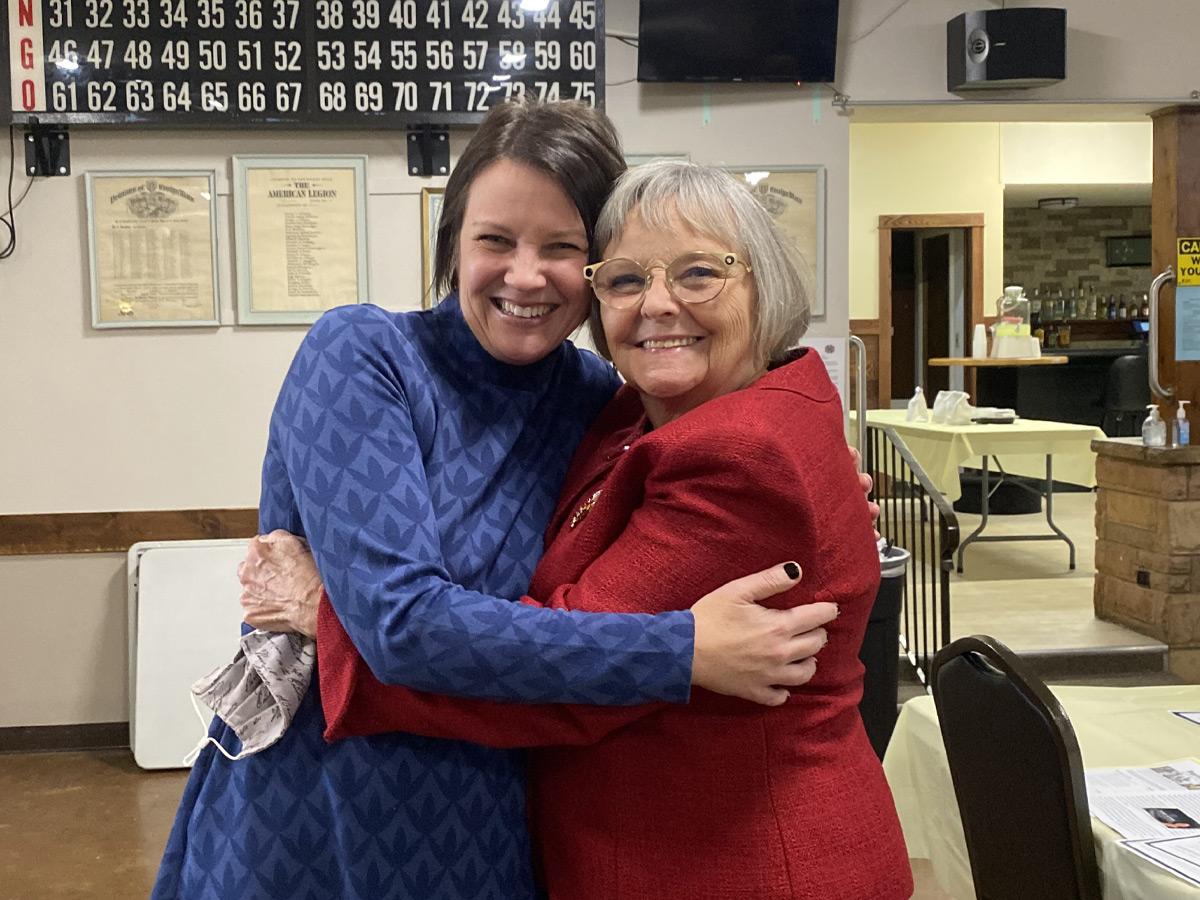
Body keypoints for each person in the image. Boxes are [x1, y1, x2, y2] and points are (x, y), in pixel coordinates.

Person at [153, 101, 843, 900]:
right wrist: (682, 652)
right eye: (495, 240)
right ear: (453, 243)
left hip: (496, 810)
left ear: (596, 267)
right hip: (324, 803)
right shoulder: (366, 357)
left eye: (561, 247)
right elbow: (402, 628)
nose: (524, 275)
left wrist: (821, 502)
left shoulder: (595, 397)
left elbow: (710, 463)